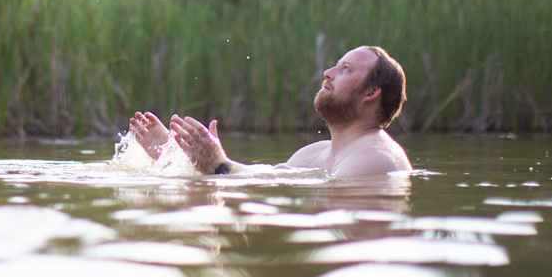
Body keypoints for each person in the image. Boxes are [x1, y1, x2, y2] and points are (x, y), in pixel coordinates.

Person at [128, 45, 412, 178]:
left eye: (345, 69)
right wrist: (179, 157)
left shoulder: (377, 159)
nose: (327, 73)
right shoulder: (312, 154)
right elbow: (255, 179)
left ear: (371, 93)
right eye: (335, 65)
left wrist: (218, 166)